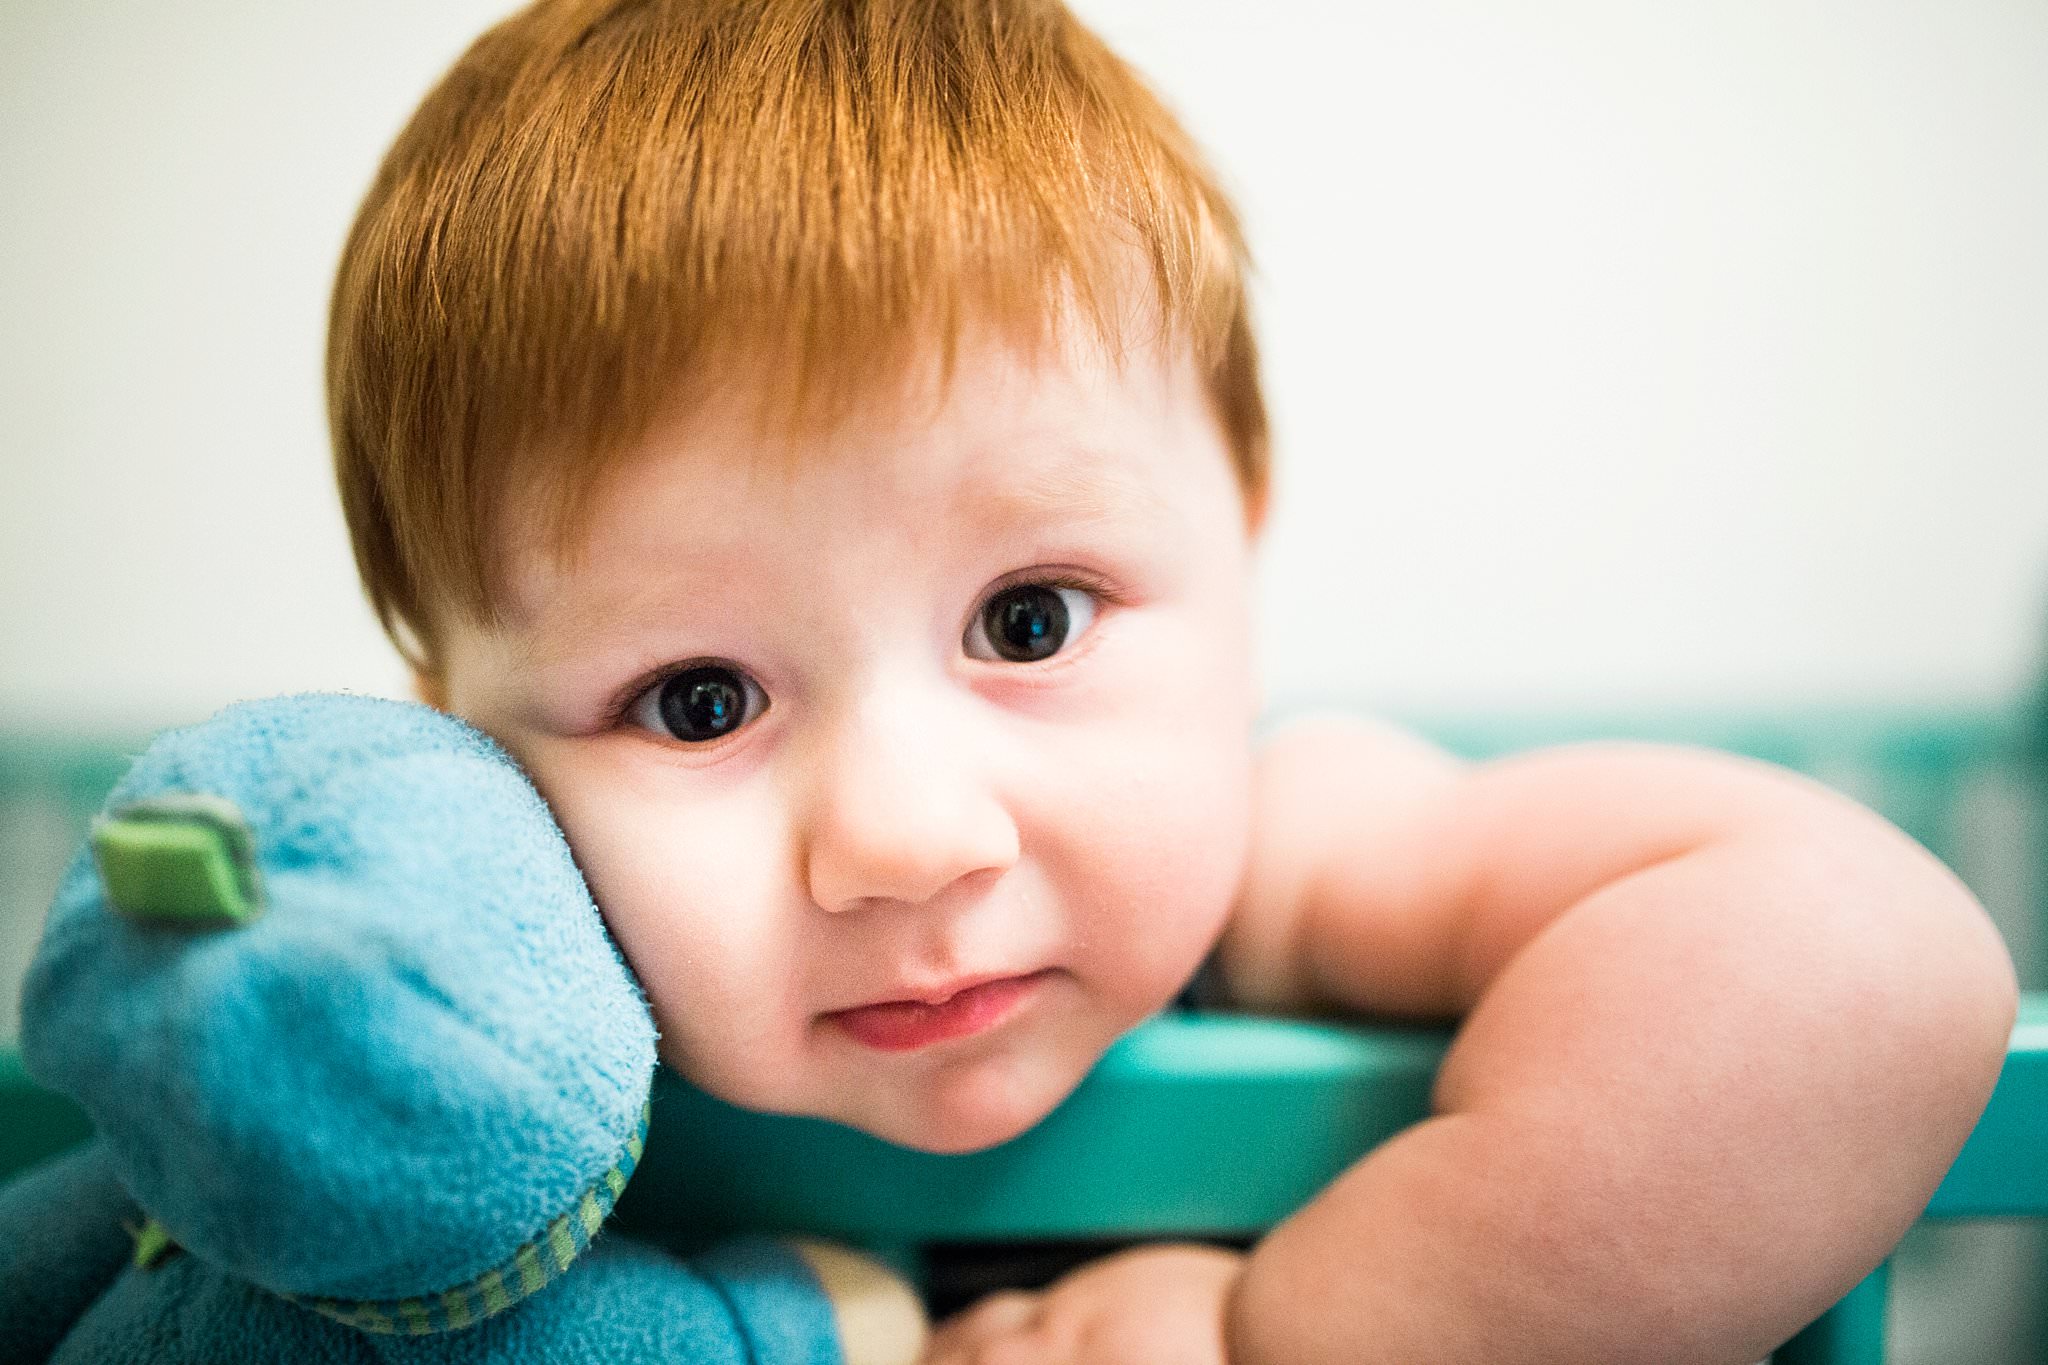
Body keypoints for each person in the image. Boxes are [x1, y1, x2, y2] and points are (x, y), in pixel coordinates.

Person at [326, 0, 2018, 1359]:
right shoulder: (454, 1033)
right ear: (454, 742)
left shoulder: (1296, 859)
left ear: (1242, 548)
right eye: (699, 698)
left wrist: (1288, 1326)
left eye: (1032, 619)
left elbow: (1868, 966)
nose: (912, 840)